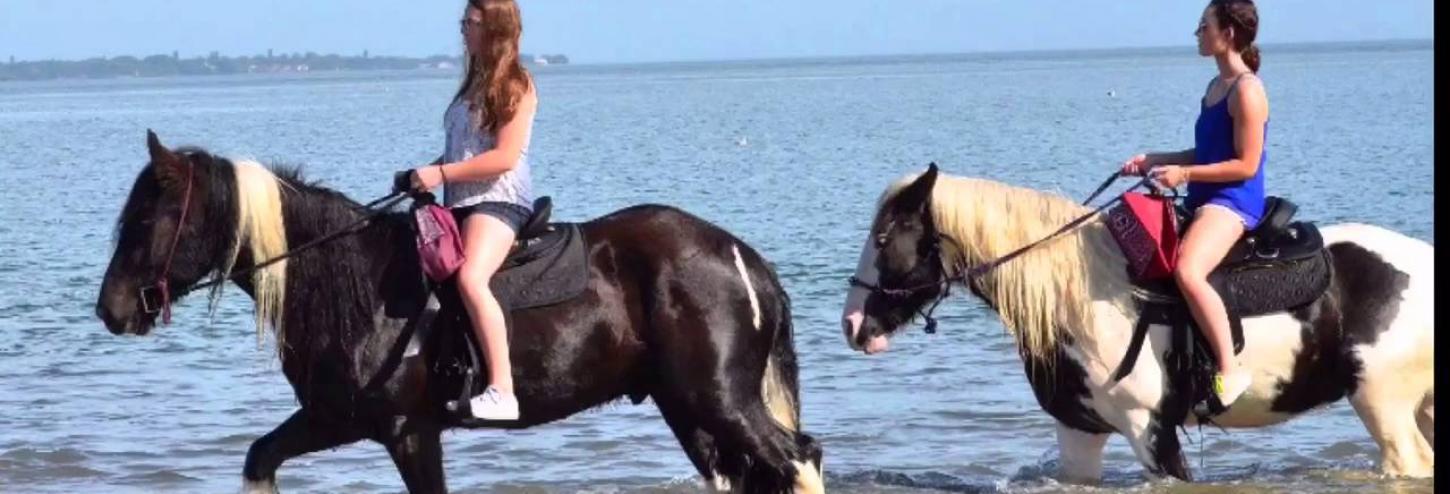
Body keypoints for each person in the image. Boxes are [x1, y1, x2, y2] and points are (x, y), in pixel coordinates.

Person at [1122, 0, 1268, 408]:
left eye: (1204, 26)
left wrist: (1184, 175)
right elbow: (1206, 153)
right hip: (1203, 195)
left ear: (1228, 34)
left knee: (1187, 269)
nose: (1198, 33)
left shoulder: (1247, 91)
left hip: (1233, 201)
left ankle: (1230, 369)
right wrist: (1154, 160)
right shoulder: (1215, 88)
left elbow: (1247, 164)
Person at [410, 0, 538, 421]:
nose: (463, 29)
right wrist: (423, 175)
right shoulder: (473, 83)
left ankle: (503, 390)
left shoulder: (516, 84)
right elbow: (465, 151)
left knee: (471, 277)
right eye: (463, 21)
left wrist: (440, 173)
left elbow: (503, 157)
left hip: (499, 198)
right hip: (460, 200)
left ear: (495, 29)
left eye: (471, 22)